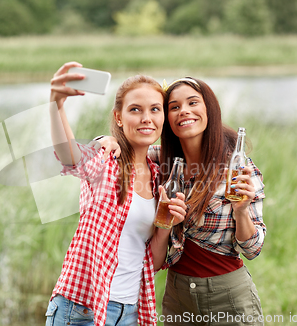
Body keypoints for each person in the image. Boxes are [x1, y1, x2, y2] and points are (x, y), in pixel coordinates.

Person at [97, 77, 266, 326]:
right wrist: (107, 139)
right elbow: (125, 147)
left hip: (227, 294)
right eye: (174, 107)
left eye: (192, 103)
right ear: (167, 119)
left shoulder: (236, 169)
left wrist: (242, 212)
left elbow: (253, 249)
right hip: (178, 295)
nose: (183, 111)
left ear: (209, 110)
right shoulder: (160, 160)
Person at [45, 62, 187, 326]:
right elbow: (70, 156)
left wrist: (167, 224)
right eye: (135, 110)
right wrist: (56, 105)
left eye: (155, 109)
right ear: (119, 118)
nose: (146, 118)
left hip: (132, 311)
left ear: (163, 118)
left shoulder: (159, 177)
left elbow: (152, 263)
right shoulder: (107, 161)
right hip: (83, 309)